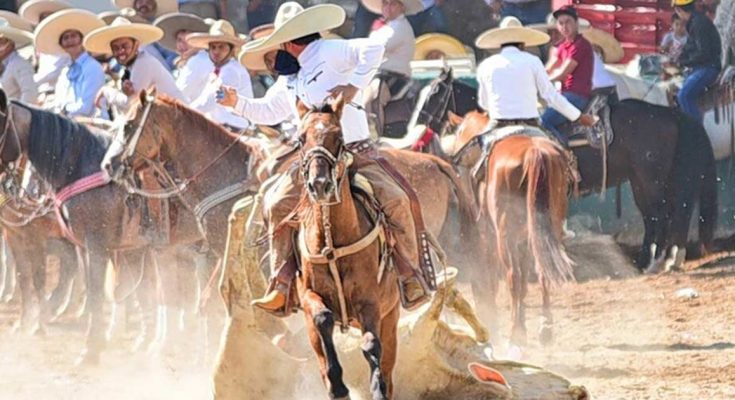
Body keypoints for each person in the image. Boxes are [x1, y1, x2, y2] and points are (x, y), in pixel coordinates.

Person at [218, 3, 432, 314]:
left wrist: (353, 86)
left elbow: (372, 49)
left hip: (354, 152)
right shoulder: (291, 78)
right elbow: (269, 110)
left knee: (396, 199)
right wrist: (237, 103)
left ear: (290, 41)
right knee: (278, 203)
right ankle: (282, 281)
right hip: (312, 161)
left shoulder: (329, 50)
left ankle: (408, 273)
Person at [474, 16, 595, 138]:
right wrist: (578, 116)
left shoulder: (485, 65)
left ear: (500, 44)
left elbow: (484, 103)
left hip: (498, 124)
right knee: (555, 147)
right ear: (522, 44)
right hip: (530, 123)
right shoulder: (533, 61)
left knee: (476, 147)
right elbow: (551, 96)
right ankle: (567, 155)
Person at [84, 17, 187, 114]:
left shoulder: (143, 62)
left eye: (125, 46)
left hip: (180, 121)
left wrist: (106, 91)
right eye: (116, 48)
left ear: (136, 45)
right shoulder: (133, 64)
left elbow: (130, 105)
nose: (121, 51)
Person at [361, 0, 420, 136]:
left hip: (392, 78)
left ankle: (374, 136)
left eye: (392, 4)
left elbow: (377, 47)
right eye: (385, 3)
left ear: (402, 7)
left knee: (369, 100)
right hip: (380, 74)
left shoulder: (400, 27)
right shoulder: (387, 27)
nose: (388, 7)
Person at [34, 9, 106, 117]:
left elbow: (85, 108)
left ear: (82, 40)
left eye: (73, 36)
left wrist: (62, 110)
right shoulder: (65, 71)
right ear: (62, 45)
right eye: (65, 38)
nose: (70, 41)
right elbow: (59, 101)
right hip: (69, 124)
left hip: (93, 125)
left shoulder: (93, 67)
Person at [185, 19, 252, 131]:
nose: (216, 52)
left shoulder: (232, 70)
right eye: (213, 47)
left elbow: (209, 101)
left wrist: (184, 113)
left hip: (236, 128)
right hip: (221, 127)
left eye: (221, 47)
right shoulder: (219, 69)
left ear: (231, 50)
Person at [541, 6, 594, 143]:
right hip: (565, 94)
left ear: (576, 24)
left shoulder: (581, 45)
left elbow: (563, 73)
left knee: (544, 121)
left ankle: (562, 152)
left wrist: (540, 82)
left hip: (577, 95)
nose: (564, 26)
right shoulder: (563, 46)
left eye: (568, 22)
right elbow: (548, 68)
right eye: (561, 23)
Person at [673, 0, 721, 122]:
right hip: (702, 67)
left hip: (708, 68)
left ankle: (697, 134)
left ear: (679, 10)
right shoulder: (695, 22)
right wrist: (677, 59)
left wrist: (682, 63)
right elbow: (689, 48)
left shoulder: (699, 23)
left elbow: (704, 53)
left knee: (684, 96)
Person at [19, 0, 71, 98]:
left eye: (48, 18)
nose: (45, 22)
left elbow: (51, 73)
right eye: (42, 19)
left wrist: (25, 81)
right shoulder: (41, 45)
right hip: (40, 94)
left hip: (55, 94)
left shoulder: (63, 45)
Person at [112, 0, 179, 70]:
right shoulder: (128, 26)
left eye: (148, 1)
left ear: (155, 5)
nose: (144, 4)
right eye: (140, 1)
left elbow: (171, 57)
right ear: (134, 5)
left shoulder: (162, 27)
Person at [0, 17, 37, 104]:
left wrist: (19, 115)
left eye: (1, 42)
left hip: (15, 115)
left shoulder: (20, 64)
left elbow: (30, 93)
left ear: (11, 44)